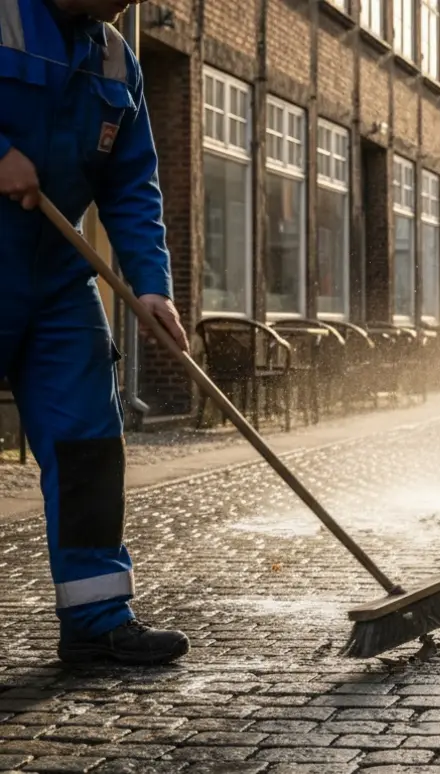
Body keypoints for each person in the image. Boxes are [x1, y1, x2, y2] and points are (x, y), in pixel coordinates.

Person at [0, 0, 192, 665]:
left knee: (88, 444)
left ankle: (96, 617)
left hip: (57, 278)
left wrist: (151, 286)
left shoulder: (116, 59)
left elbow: (133, 183)